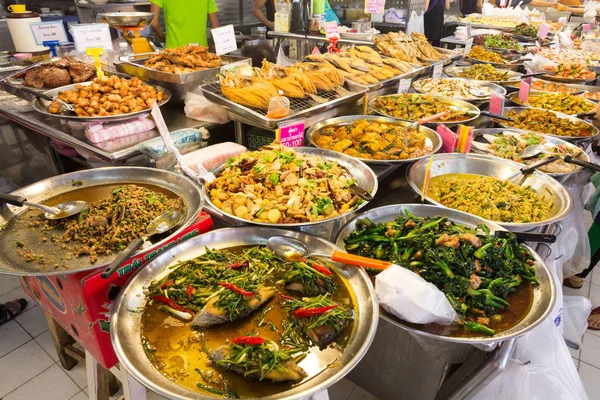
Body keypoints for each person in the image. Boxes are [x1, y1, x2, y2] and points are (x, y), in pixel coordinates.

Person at [150, 0, 220, 48]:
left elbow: (153, 22)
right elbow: (215, 26)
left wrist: (164, 39)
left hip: (174, 52)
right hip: (200, 52)